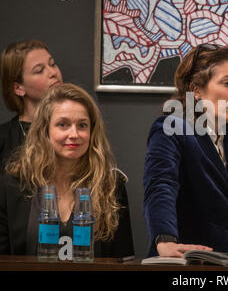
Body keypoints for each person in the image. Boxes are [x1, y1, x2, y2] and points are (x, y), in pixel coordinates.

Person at [142, 44, 228, 258]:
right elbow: (161, 186)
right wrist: (165, 238)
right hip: (192, 261)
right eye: (227, 83)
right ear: (196, 90)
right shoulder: (172, 129)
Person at [0, 83, 134, 258]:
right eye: (63, 124)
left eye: (82, 125)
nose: (74, 134)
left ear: (92, 131)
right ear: (45, 130)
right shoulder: (13, 185)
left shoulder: (110, 186)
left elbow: (123, 260)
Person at [0, 39, 63, 171]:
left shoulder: (76, 131)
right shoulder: (4, 139)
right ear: (18, 88)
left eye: (52, 64)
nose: (53, 73)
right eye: (39, 70)